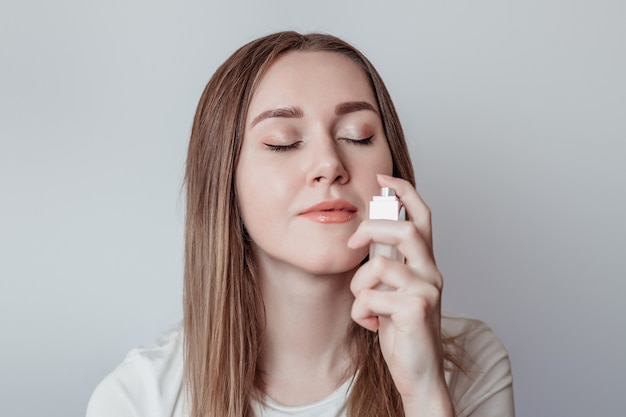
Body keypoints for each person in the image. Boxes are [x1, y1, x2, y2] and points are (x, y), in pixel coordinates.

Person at [86, 31, 514, 417]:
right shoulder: (137, 399)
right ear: (224, 183)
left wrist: (423, 392)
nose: (329, 164)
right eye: (282, 142)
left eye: (357, 136)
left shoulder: (472, 363)